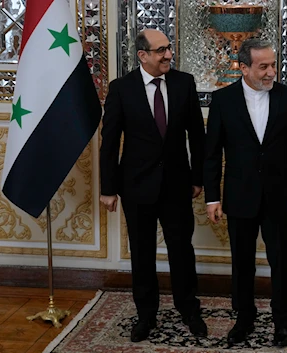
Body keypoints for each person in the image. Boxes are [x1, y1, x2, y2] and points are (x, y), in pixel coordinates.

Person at [99, 28, 207, 342]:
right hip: (136, 186)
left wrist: (197, 178)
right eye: (160, 50)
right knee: (142, 253)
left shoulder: (183, 83)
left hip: (177, 185)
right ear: (143, 55)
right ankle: (146, 316)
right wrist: (108, 188)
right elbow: (110, 143)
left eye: (169, 49)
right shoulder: (121, 89)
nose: (168, 55)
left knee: (181, 251)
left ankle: (189, 310)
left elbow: (197, 137)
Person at [203, 38, 287, 347]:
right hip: (239, 196)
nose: (270, 72)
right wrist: (212, 197)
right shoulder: (223, 100)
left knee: (281, 261)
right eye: (263, 66)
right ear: (244, 68)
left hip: (278, 196)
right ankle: (244, 319)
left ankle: (282, 323)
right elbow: (212, 155)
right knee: (242, 263)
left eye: (273, 65)